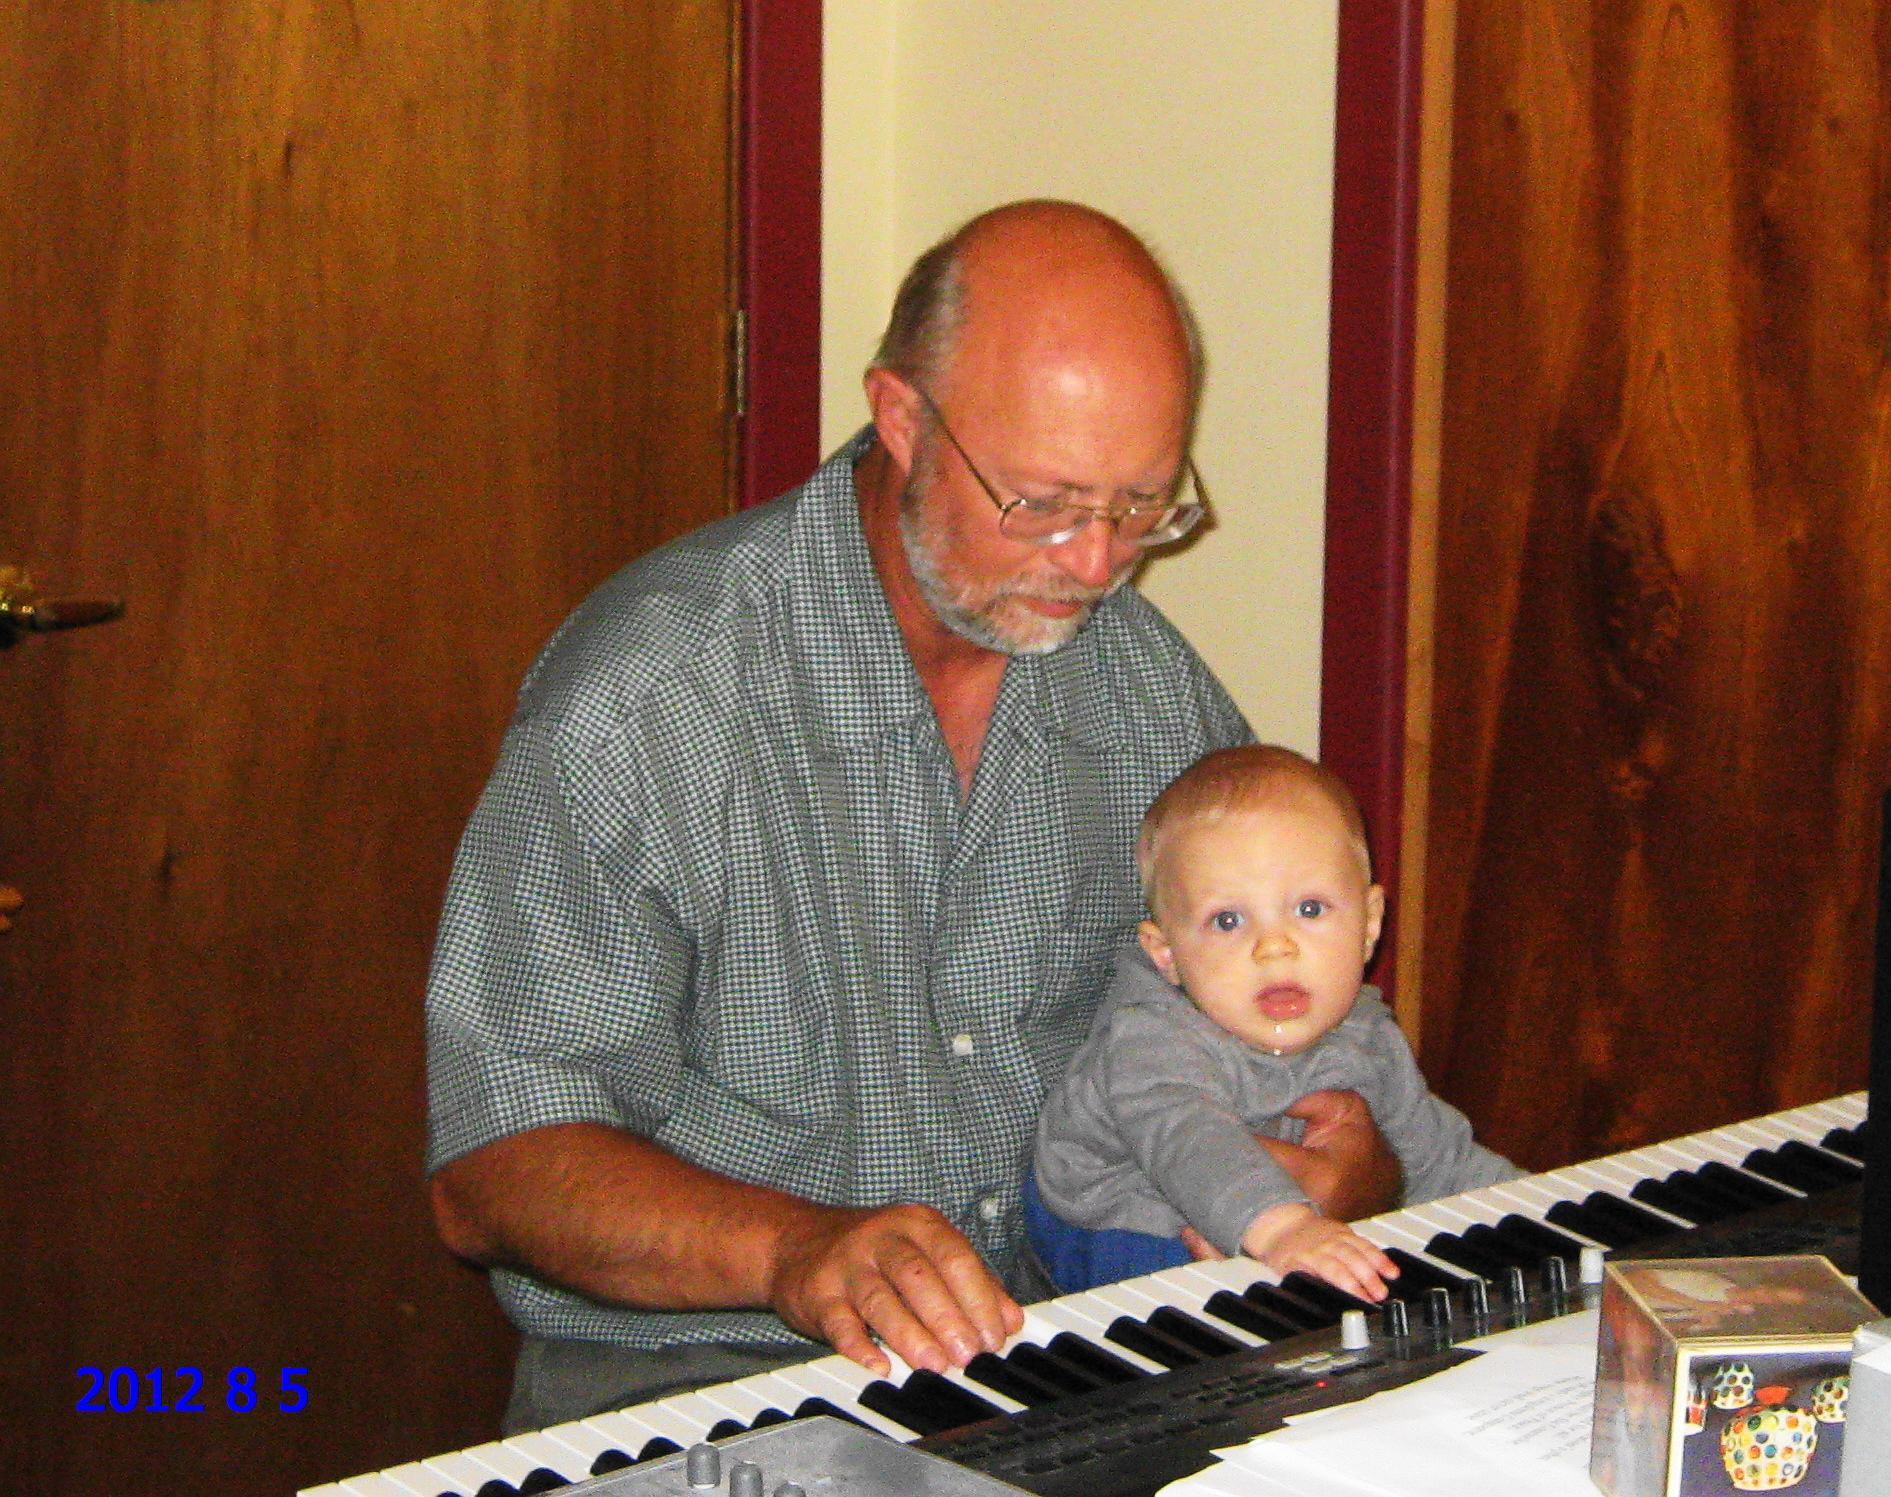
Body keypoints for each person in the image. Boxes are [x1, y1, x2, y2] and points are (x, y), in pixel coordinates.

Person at [424, 202, 1400, 1433]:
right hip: (718, 1384)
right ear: (901, 420)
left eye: (1141, 507)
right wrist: (792, 1250)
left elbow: (1271, 1022)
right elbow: (494, 1169)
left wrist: (1351, 1162)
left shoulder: (1147, 693)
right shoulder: (654, 698)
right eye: (1044, 503)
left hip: (1075, 1353)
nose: (1097, 565)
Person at [1029, 744, 1519, 1299]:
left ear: (1369, 923)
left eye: (1309, 909)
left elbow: (1438, 1159)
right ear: (1167, 954)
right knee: (1241, 1290)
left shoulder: (1368, 1035)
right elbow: (1191, 1140)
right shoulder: (1150, 1038)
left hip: (1281, 1216)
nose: (1274, 947)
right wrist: (1285, 1229)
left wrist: (1545, 1210)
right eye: (1228, 920)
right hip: (1119, 1218)